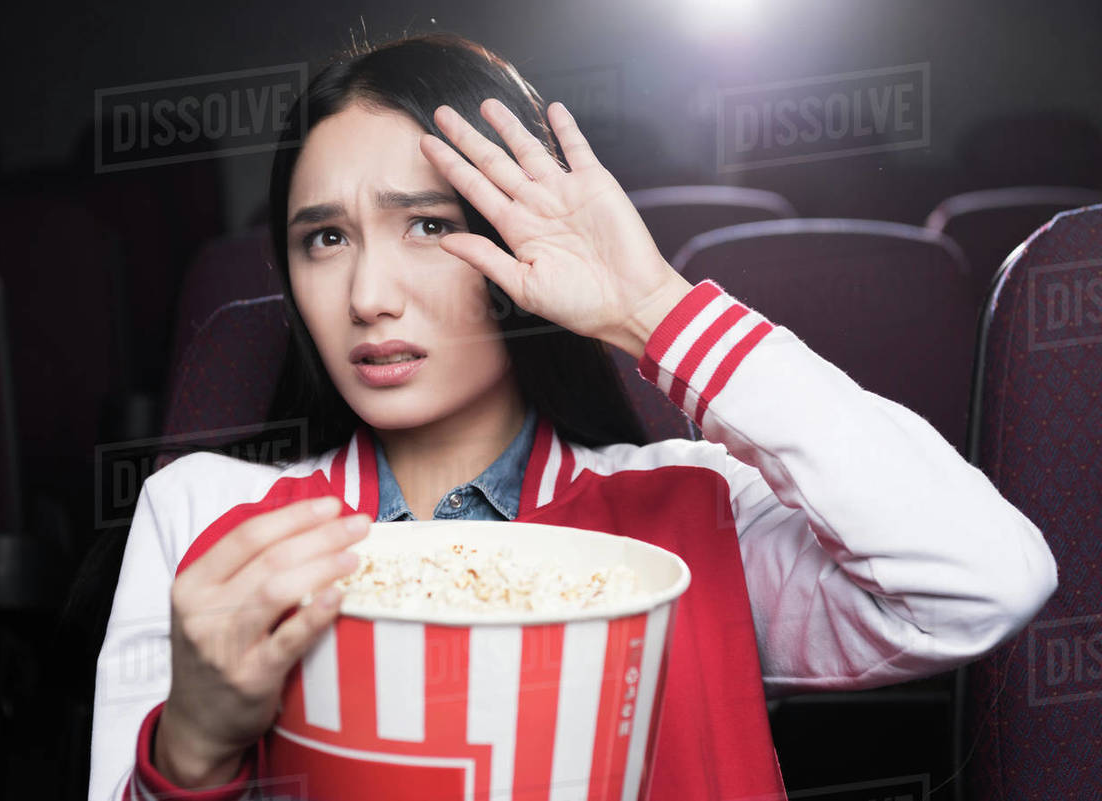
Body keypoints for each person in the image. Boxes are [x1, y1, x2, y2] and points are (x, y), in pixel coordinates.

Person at [87, 32, 1059, 801]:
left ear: (520, 239)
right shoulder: (205, 516)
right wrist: (194, 745)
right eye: (326, 238)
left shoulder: (691, 509)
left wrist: (653, 310)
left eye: (427, 224)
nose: (369, 296)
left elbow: (985, 581)